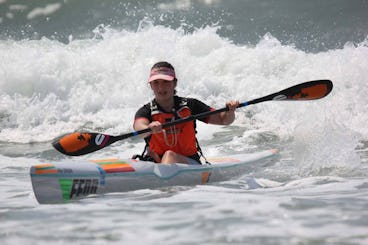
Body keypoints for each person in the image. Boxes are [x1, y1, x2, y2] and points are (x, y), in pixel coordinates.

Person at [133, 61, 239, 164]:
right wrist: (149, 128)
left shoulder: (191, 105)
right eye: (156, 82)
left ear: (175, 83)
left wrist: (230, 111)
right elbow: (138, 126)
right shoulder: (146, 111)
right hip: (155, 163)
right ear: (151, 85)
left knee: (169, 155)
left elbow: (224, 120)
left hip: (190, 163)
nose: (161, 87)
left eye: (166, 81)